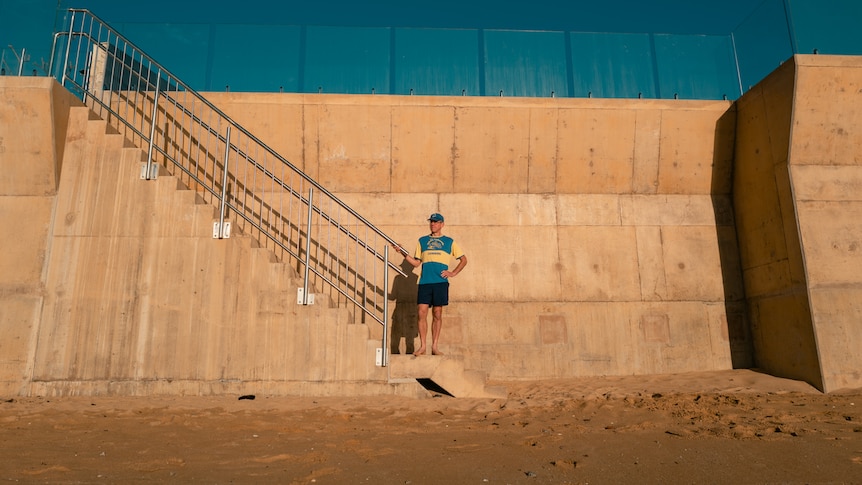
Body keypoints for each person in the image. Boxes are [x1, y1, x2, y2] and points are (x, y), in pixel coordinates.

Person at [392, 213, 467, 356]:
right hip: (425, 282)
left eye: (436, 222)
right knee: (421, 313)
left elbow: (463, 259)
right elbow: (416, 262)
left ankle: (435, 346)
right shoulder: (422, 241)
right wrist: (401, 252)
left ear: (442, 224)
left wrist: (453, 273)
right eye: (431, 222)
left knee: (437, 313)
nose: (433, 224)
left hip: (440, 282)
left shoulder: (449, 241)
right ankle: (422, 346)